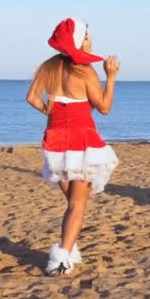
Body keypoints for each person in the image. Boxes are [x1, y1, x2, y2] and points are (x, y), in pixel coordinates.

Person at [26, 18, 119, 276]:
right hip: (81, 140)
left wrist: (49, 111)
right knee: (78, 205)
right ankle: (60, 259)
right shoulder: (86, 71)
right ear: (79, 40)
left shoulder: (48, 67)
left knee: (74, 202)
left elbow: (31, 97)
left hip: (55, 139)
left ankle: (70, 247)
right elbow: (104, 108)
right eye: (87, 36)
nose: (90, 39)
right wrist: (110, 77)